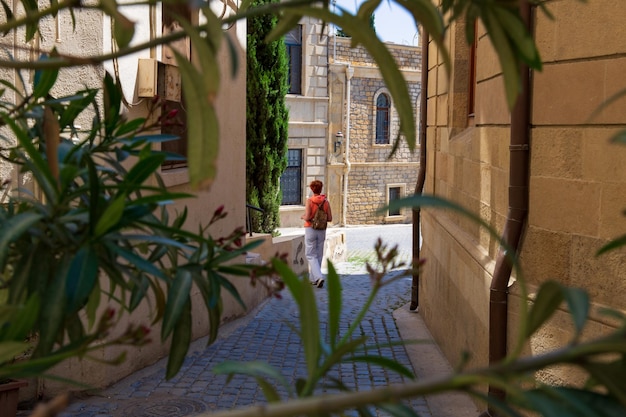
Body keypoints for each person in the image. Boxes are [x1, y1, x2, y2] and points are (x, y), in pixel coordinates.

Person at [301, 180, 332, 288]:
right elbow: (329, 218)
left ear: (311, 189)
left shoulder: (310, 201)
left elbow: (308, 216)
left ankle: (319, 277)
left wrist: (303, 217)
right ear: (321, 188)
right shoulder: (326, 202)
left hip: (310, 228)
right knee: (319, 254)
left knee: (310, 254)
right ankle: (314, 279)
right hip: (322, 230)